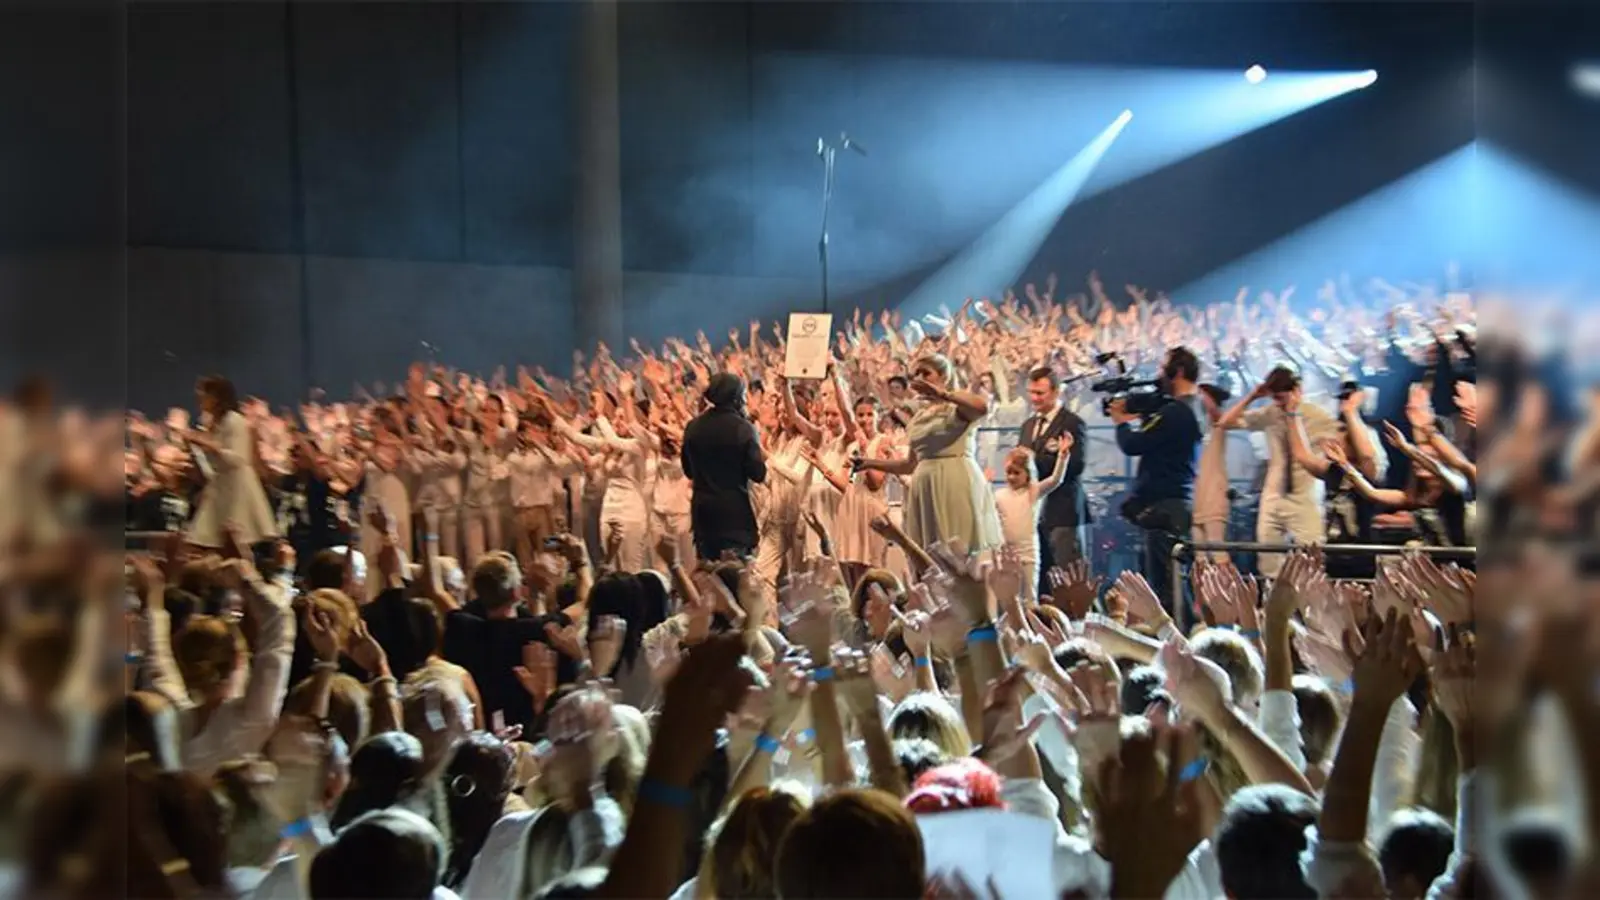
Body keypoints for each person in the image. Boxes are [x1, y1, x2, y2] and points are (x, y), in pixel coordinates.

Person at [856, 354, 1001, 554]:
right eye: (916, 374)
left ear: (944, 376)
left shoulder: (957, 409)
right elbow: (909, 464)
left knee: (957, 550)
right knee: (928, 556)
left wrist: (943, 394)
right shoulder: (921, 416)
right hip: (924, 487)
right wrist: (869, 463)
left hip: (953, 481)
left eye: (926, 373)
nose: (920, 378)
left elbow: (981, 407)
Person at [1215, 364, 1339, 578]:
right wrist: (1253, 396)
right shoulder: (1270, 413)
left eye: (1281, 398)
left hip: (1305, 496)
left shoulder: (1318, 416)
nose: (1279, 404)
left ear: (1296, 390)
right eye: (1275, 398)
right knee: (1268, 561)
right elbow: (1225, 423)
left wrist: (1293, 414)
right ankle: (1274, 607)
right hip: (1273, 495)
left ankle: (1309, 608)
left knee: (1312, 562)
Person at [1111, 347, 1205, 615]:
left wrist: (1120, 423)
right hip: (1176, 502)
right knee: (1173, 583)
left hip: (1167, 507)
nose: (1158, 376)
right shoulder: (1191, 408)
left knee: (1167, 587)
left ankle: (1179, 646)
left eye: (1164, 370)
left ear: (1178, 373)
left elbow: (1134, 444)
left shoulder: (1176, 412)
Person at [680, 373, 767, 562]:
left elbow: (688, 470)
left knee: (709, 583)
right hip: (734, 518)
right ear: (736, 397)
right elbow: (758, 473)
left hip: (703, 517)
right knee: (736, 582)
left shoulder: (693, 427)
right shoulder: (743, 428)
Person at [183, 375, 278, 549]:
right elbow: (213, 463)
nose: (200, 400)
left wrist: (208, 444)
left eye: (204, 396)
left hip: (236, 491)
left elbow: (238, 458)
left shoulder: (235, 421)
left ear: (216, 397)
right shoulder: (216, 424)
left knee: (234, 541)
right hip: (222, 487)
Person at [1018, 366, 1091, 584]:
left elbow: (1076, 465)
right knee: (1043, 581)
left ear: (1056, 392)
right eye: (1031, 392)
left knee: (1072, 579)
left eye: (1040, 393)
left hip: (1063, 512)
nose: (1034, 398)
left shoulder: (1072, 423)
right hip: (1035, 514)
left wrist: (1036, 461)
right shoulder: (1028, 425)